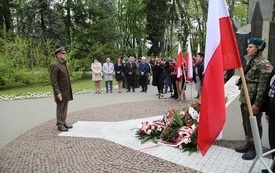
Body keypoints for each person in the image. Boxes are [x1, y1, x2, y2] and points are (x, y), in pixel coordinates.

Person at [235, 38, 273, 160]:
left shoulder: (264, 64)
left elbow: (263, 87)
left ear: (258, 49)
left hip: (253, 100)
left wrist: (257, 104)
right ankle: (249, 143)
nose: (247, 49)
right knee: (246, 122)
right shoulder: (252, 62)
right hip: (245, 98)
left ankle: (255, 148)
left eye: (250, 47)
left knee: (255, 124)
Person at [50, 47, 73, 132]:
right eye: (63, 53)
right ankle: (60, 124)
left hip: (66, 91)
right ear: (58, 55)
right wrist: (57, 92)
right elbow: (53, 81)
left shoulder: (64, 63)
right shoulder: (55, 65)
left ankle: (63, 122)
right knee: (60, 108)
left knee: (65, 107)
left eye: (64, 53)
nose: (65, 55)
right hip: (60, 91)